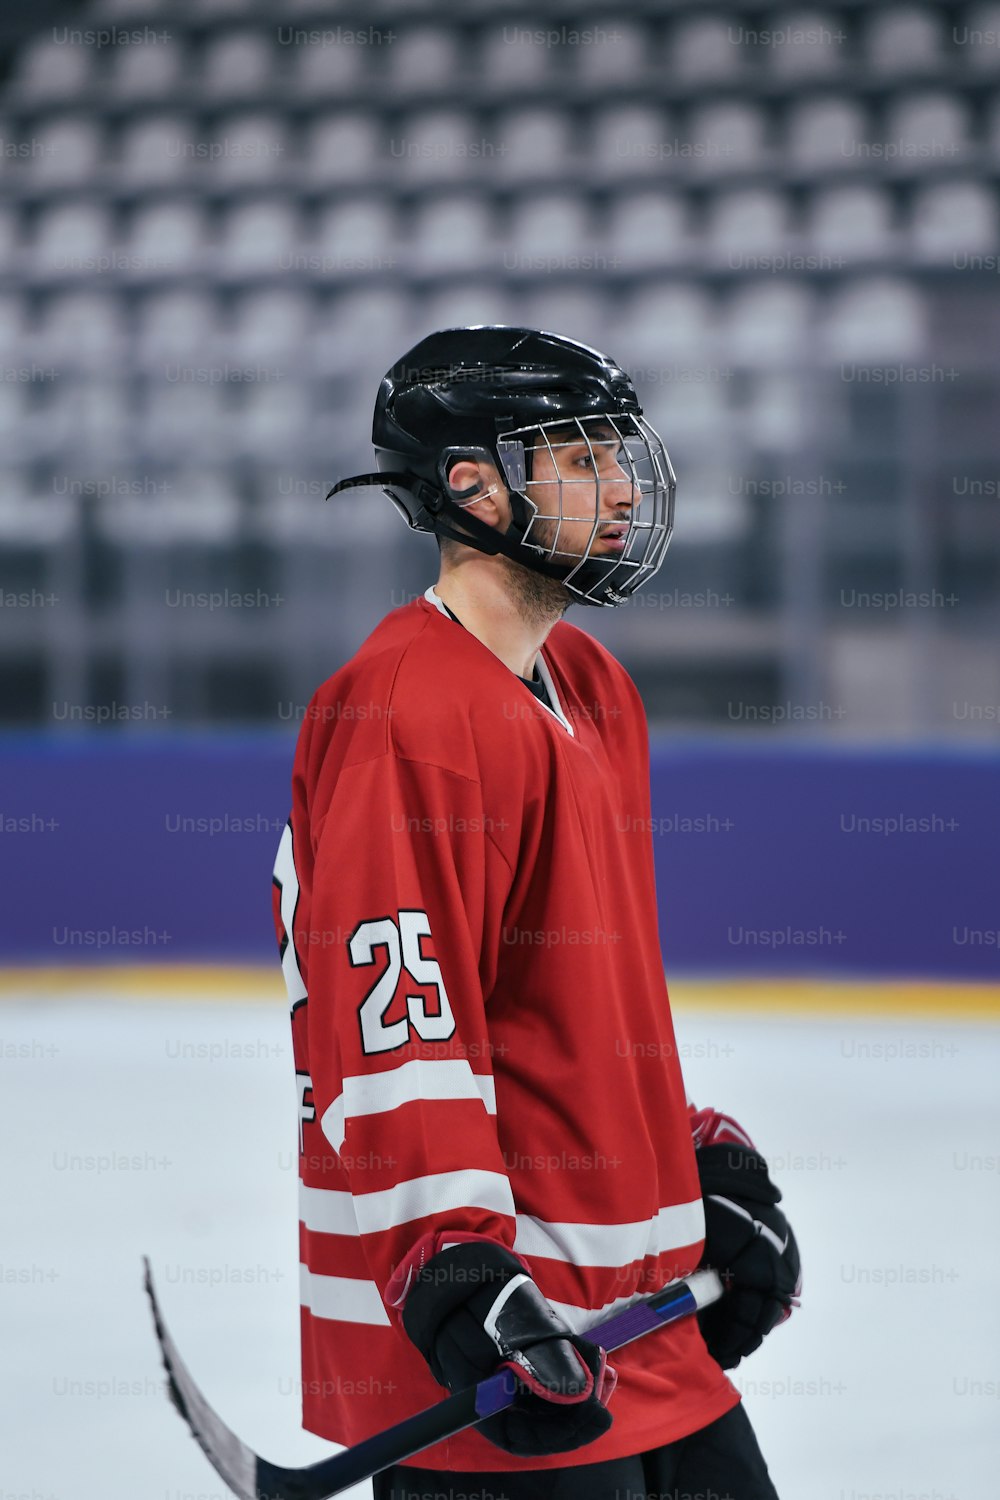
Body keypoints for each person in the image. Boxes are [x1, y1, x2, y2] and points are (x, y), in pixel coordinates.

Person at [272, 326, 800, 1500]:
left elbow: (576, 998)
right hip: (505, 1359)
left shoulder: (593, 686)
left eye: (619, 456)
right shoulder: (406, 710)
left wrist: (689, 1153)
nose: (620, 490)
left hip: (635, 1327)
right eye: (581, 459)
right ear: (470, 486)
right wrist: (452, 1268)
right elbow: (398, 1023)